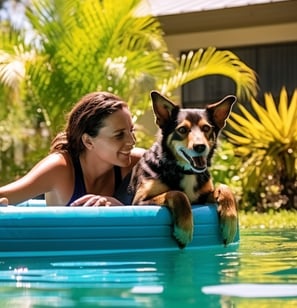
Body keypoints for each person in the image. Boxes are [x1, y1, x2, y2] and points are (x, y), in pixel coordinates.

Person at [0, 91, 145, 206]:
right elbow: (5, 195)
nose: (132, 141)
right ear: (88, 141)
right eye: (119, 135)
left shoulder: (136, 164)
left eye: (131, 131)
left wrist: (120, 208)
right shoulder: (60, 169)